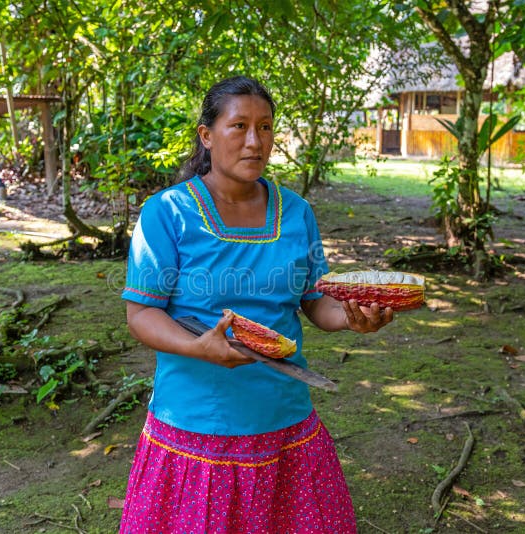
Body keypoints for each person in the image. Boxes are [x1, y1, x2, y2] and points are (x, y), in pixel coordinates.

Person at [119, 75, 394, 533]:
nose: (254, 141)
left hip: (285, 421)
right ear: (206, 136)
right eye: (239, 126)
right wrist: (197, 347)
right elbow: (141, 314)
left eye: (265, 127)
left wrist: (351, 318)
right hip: (197, 426)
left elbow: (315, 303)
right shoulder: (167, 213)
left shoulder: (296, 212)